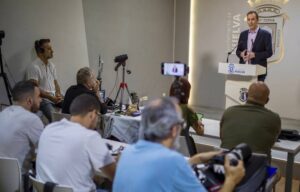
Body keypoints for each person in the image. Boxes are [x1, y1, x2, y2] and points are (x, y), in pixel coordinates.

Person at [113, 97, 245, 192]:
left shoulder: (127, 153)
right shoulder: (172, 161)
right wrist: (232, 180)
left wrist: (195, 159)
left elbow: (161, 173)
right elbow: (170, 168)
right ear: (174, 129)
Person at [36, 94, 116, 192]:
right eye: (98, 116)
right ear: (93, 114)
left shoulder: (49, 129)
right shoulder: (90, 137)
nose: (97, 120)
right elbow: (115, 175)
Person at [220, 82, 281, 160]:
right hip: (257, 169)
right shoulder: (274, 118)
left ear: (246, 95)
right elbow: (271, 142)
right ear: (267, 100)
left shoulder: (228, 112)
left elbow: (222, 137)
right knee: (276, 170)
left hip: (226, 166)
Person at [0, 80, 43, 173]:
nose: (41, 100)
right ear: (29, 100)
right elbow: (44, 152)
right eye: (39, 96)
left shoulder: (3, 113)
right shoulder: (32, 120)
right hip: (19, 181)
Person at [26, 38, 63, 123]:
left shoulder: (52, 65)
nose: (52, 51)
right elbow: (35, 89)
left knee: (71, 109)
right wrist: (51, 97)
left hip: (54, 96)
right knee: (55, 119)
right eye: (49, 49)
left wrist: (58, 94)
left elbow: (56, 83)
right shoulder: (34, 67)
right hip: (43, 100)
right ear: (40, 51)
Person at [236, 10, 273, 81]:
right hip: (244, 69)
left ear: (257, 20)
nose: (250, 22)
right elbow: (238, 51)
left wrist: (255, 55)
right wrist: (241, 54)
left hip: (259, 71)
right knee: (243, 91)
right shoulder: (243, 34)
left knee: (256, 92)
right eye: (248, 19)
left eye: (253, 19)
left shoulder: (266, 34)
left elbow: (269, 52)